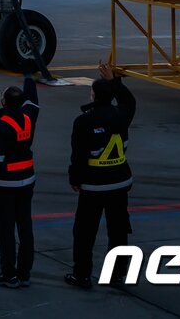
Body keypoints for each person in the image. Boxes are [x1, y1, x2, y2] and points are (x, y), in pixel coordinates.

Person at [65, 62, 136, 290]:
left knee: (84, 233)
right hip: (119, 182)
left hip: (94, 185)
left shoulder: (84, 121)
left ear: (93, 95)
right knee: (118, 231)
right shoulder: (121, 115)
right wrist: (115, 81)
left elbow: (78, 155)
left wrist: (75, 179)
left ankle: (82, 275)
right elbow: (129, 101)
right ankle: (117, 275)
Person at [0, 71, 40, 289]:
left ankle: (9, 273)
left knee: (6, 230)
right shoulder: (28, 118)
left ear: (4, 102)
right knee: (25, 227)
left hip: (6, 184)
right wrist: (29, 76)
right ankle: (24, 273)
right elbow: (33, 101)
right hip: (27, 179)